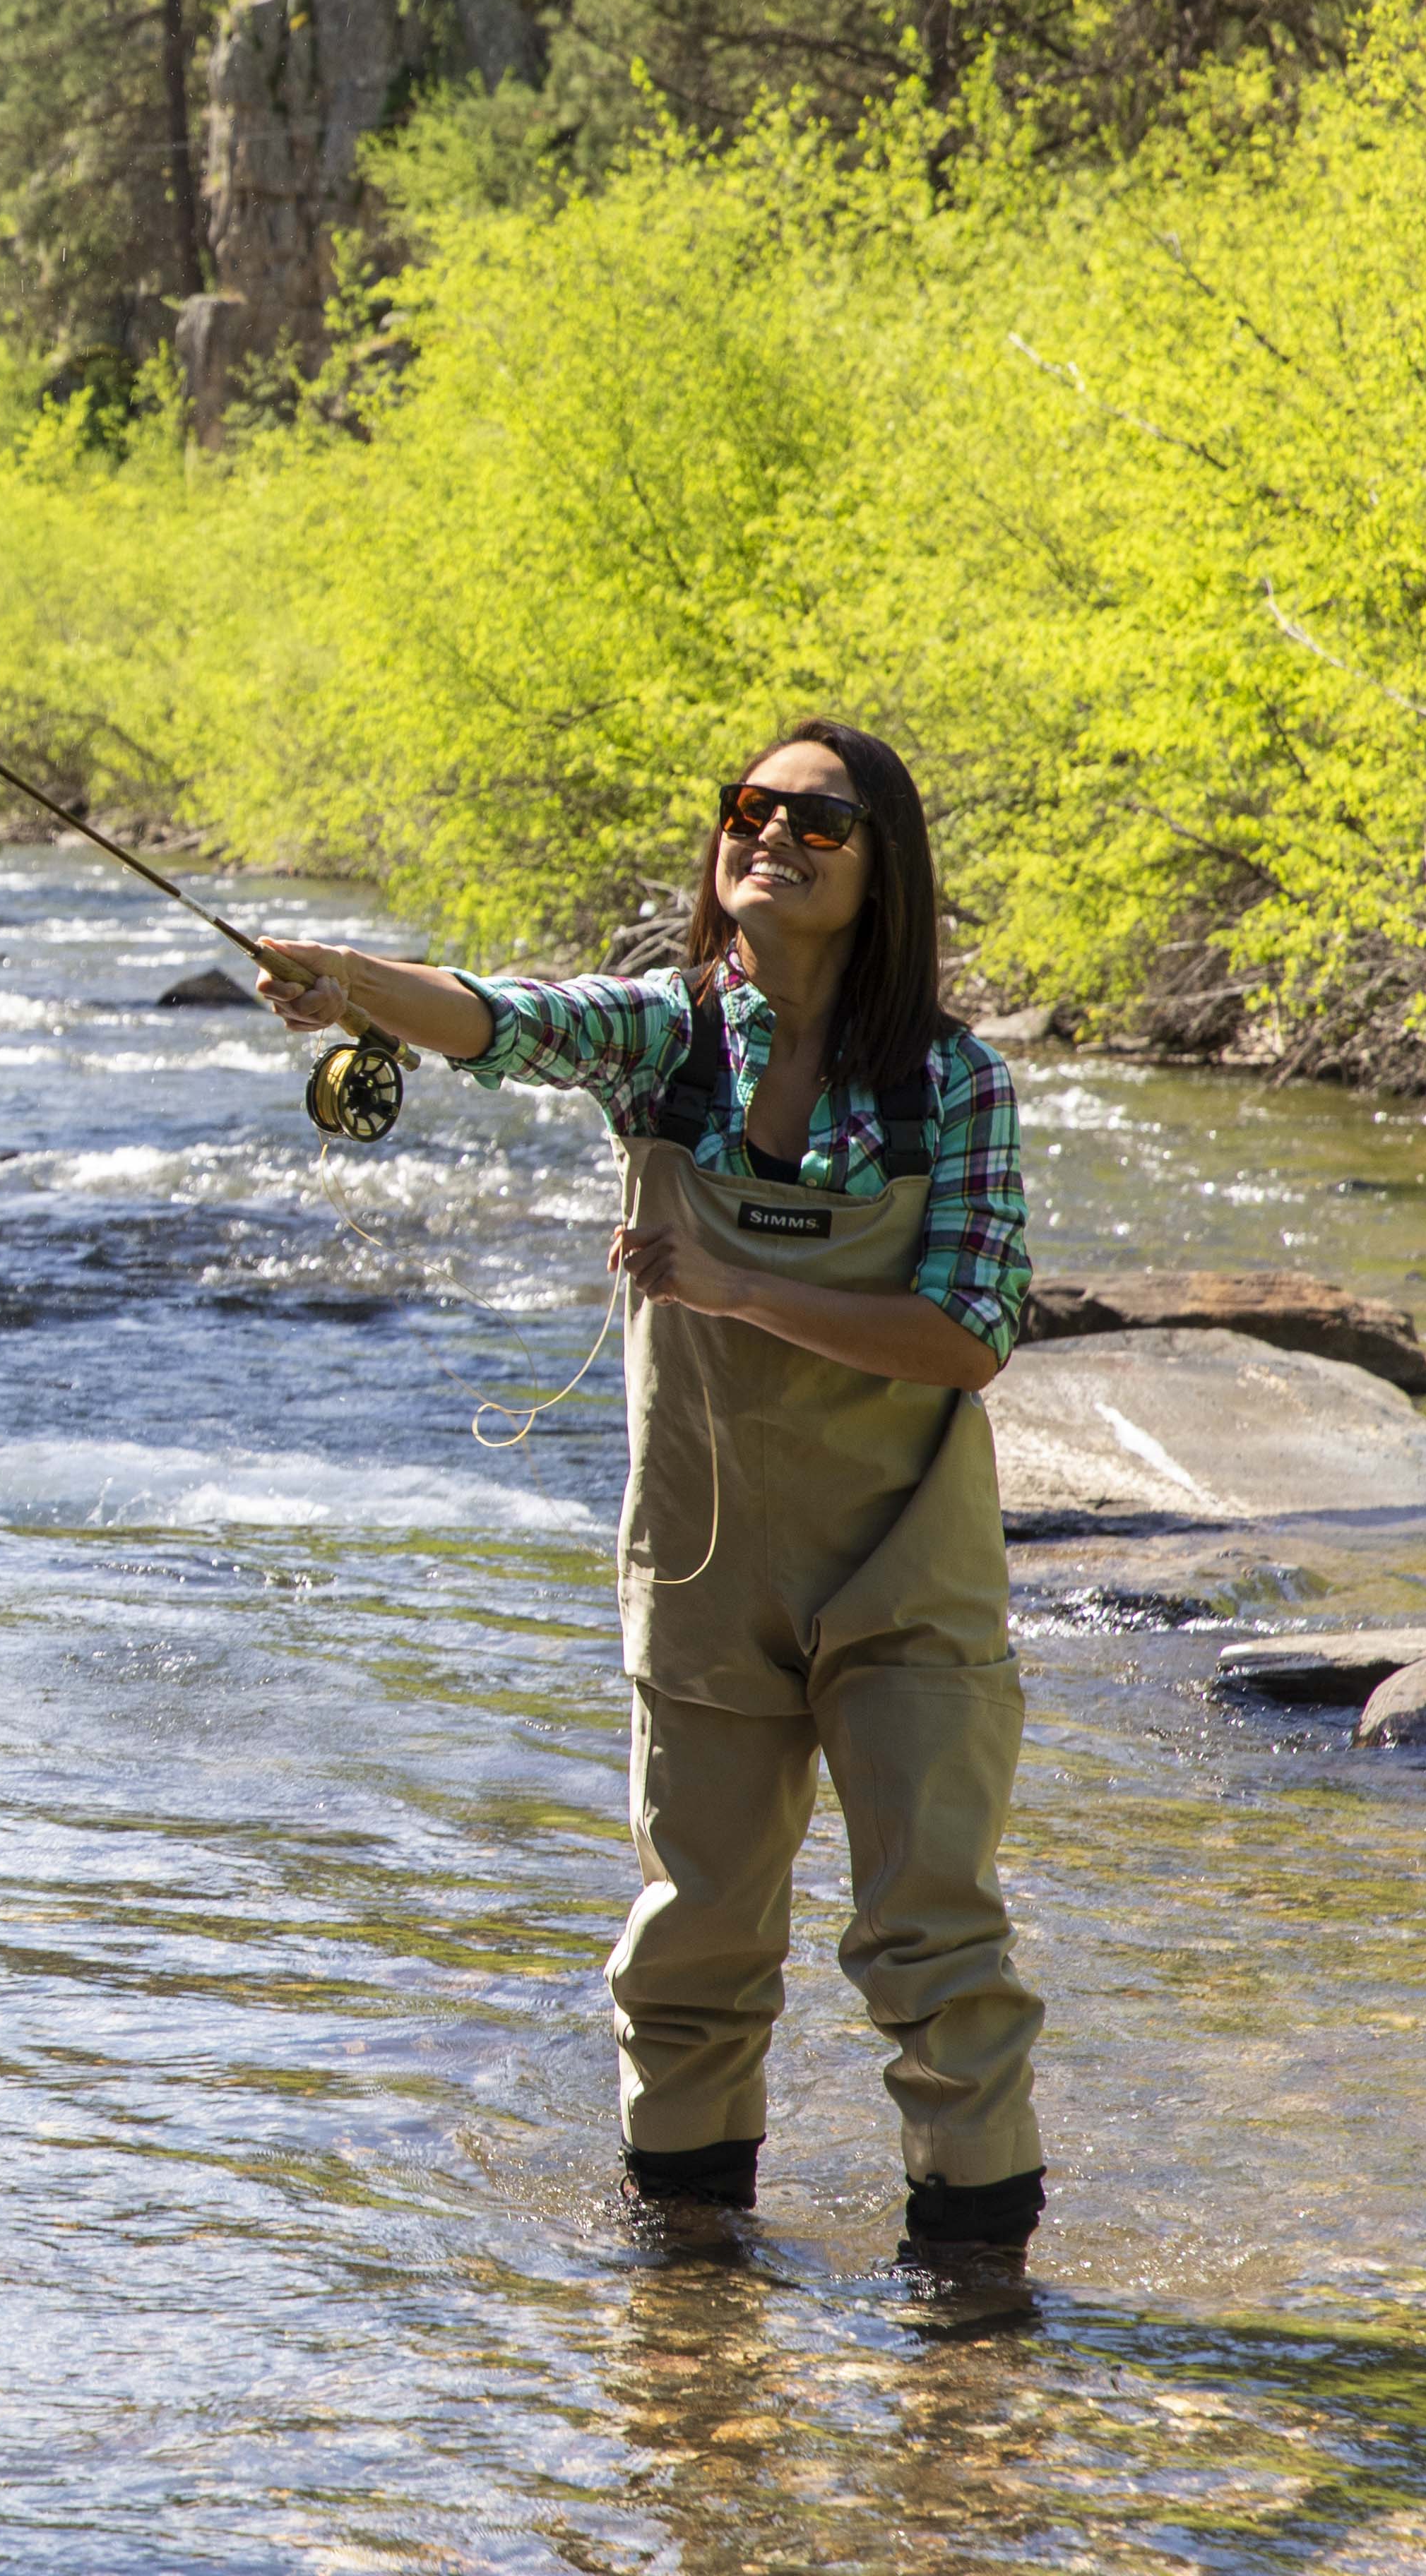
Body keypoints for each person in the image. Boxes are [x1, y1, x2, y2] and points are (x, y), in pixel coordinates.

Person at [250, 720, 1047, 2270]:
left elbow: (969, 1334)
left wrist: (740, 1285)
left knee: (935, 1945)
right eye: (751, 808)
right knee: (688, 1949)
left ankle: (978, 2329)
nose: (772, 835)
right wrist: (347, 981)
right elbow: (495, 1018)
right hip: (699, 1571)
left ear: (884, 869)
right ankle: (684, 2313)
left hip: (907, 1577)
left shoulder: (952, 1081)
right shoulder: (661, 1035)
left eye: (819, 821)